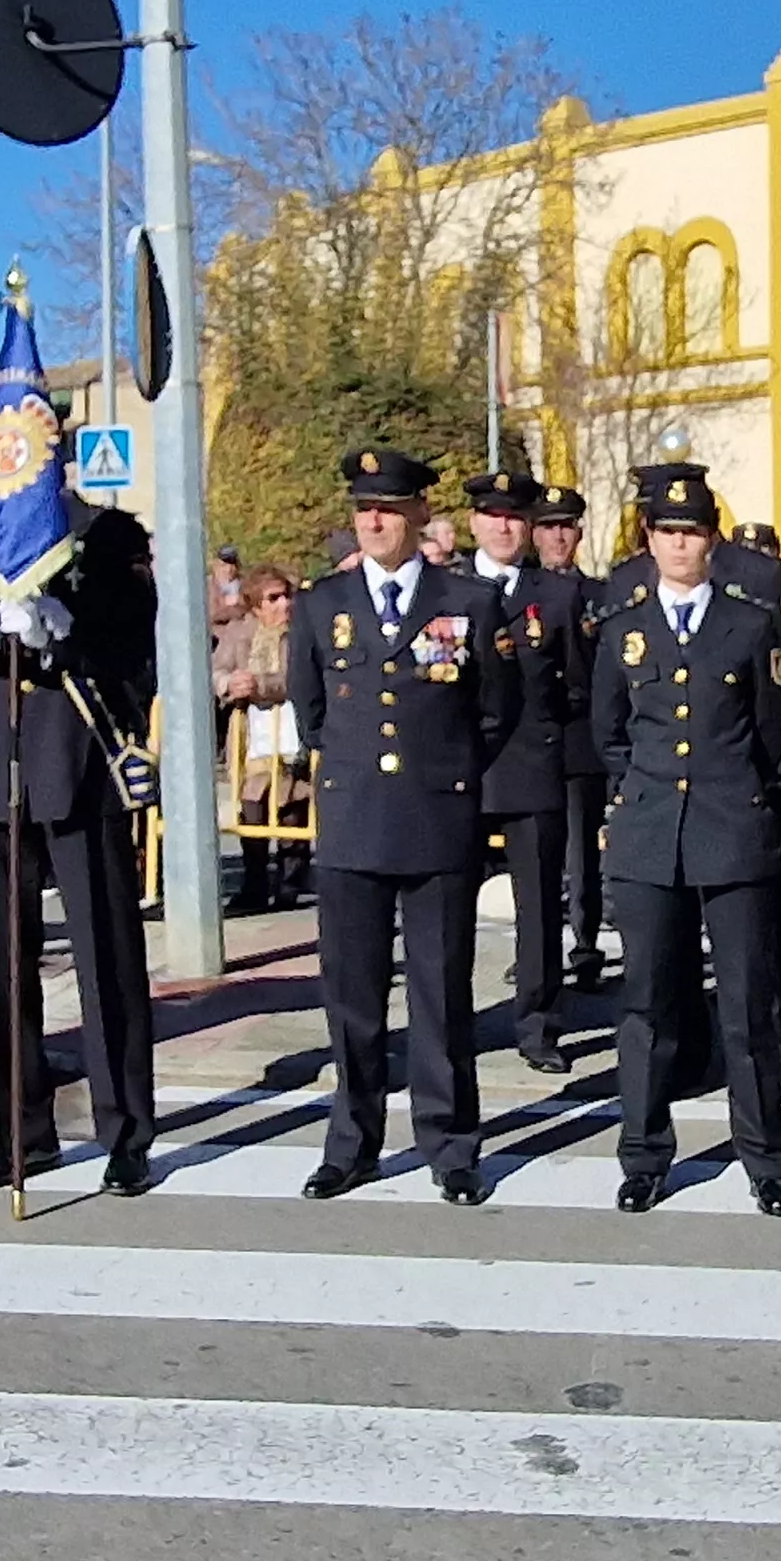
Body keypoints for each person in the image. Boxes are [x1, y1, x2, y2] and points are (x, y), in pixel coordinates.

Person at [289, 447, 520, 1206]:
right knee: (352, 998)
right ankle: (351, 1144)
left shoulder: (469, 602)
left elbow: (496, 709)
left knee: (441, 993)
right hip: (354, 821)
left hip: (435, 818)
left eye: (389, 507)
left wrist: (446, 770)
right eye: (364, 508)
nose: (376, 519)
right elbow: (311, 712)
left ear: (419, 514)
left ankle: (451, 1145)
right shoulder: (324, 604)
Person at [0, 488, 162, 1196]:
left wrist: (65, 630)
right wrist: (1, 628)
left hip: (80, 761)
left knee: (106, 956)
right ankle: (22, 1133)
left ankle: (125, 1133)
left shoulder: (104, 532)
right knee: (0, 962)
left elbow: (134, 640)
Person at [592, 462, 781, 1215]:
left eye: (692, 532)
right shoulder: (623, 630)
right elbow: (609, 735)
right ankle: (645, 1155)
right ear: (650, 540)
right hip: (651, 836)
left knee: (748, 1007)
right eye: (667, 532)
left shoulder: (748, 626)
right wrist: (643, 797)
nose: (680, 545)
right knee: (648, 1004)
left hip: (732, 828)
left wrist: (742, 800)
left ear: (712, 540)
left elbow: (771, 733)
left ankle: (766, 1159)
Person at [459, 469, 592, 1072]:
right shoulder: (446, 589)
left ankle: (539, 1023)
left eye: (515, 518)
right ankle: (451, 1019)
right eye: (493, 516)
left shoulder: (556, 597)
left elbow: (577, 687)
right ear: (474, 523)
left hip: (533, 764)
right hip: (458, 768)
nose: (504, 527)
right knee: (446, 906)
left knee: (538, 905)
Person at [533, 486, 613, 995]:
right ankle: (536, 951)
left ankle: (585, 945)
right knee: (536, 855)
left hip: (581, 735)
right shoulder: (518, 593)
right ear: (535, 533)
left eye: (567, 527)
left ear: (579, 534)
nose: (559, 536)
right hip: (534, 738)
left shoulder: (597, 596)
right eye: (549, 527)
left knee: (582, 853)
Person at [215, 565, 310, 911]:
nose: (282, 604)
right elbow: (217, 668)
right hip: (252, 735)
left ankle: (289, 884)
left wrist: (262, 686)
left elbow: (300, 676)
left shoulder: (301, 632)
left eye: (286, 596)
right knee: (252, 808)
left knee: (293, 807)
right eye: (272, 598)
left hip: (291, 730)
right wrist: (229, 684)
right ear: (256, 605)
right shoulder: (238, 633)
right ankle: (253, 884)